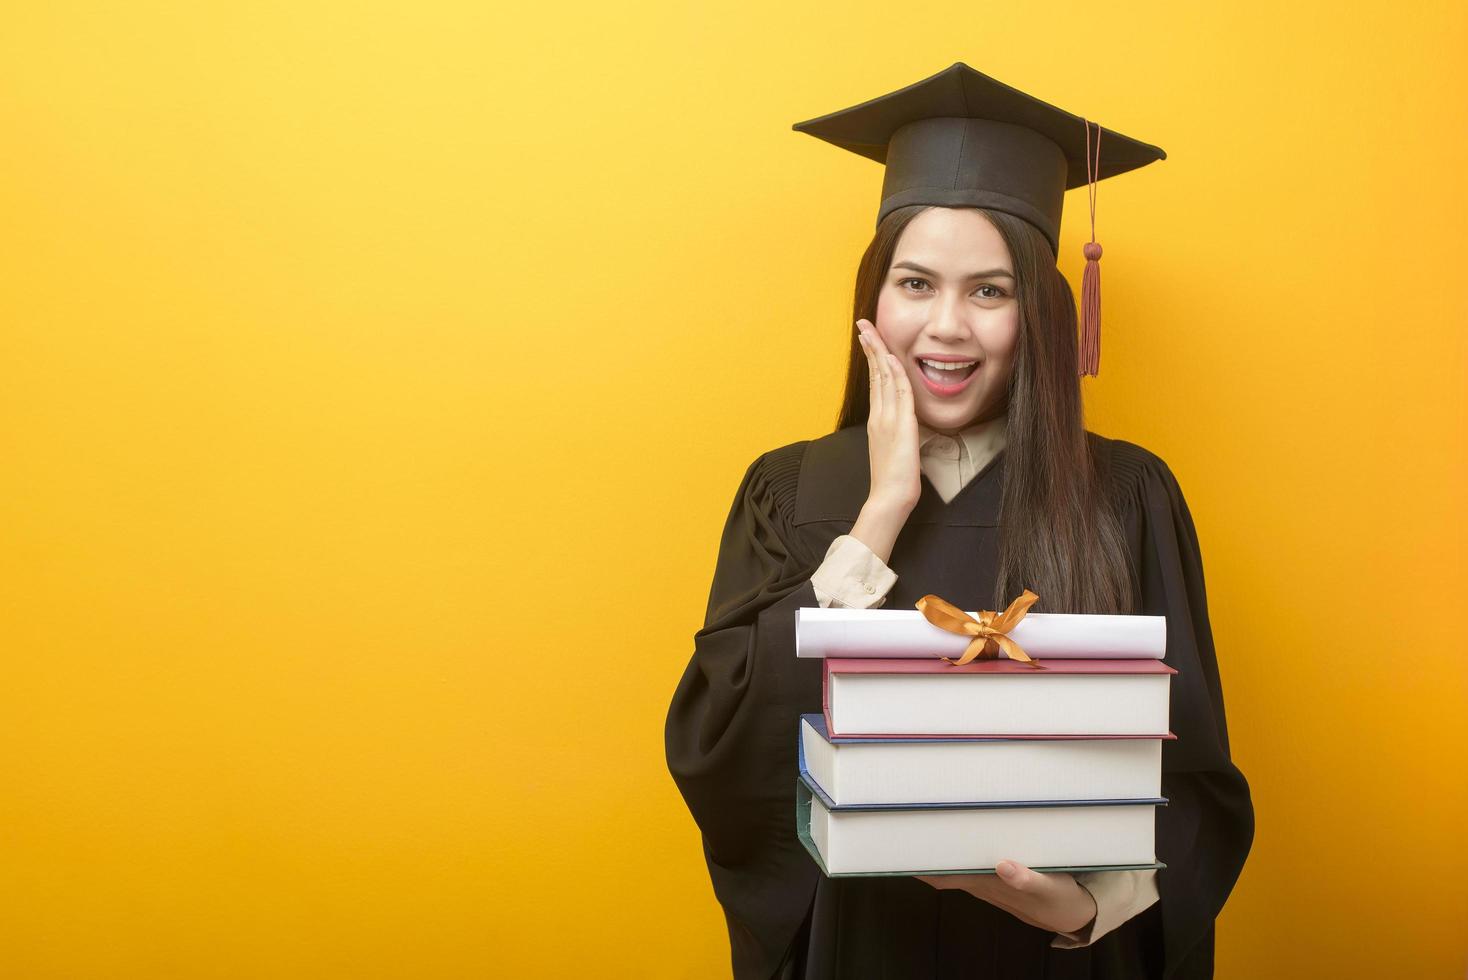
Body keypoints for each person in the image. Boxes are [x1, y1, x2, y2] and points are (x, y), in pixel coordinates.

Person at [664, 63, 1254, 980]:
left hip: (1056, 960)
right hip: (852, 949)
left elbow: (1193, 773)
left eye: (989, 291)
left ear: (1042, 315)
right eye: (915, 284)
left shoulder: (1125, 495)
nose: (946, 327)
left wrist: (1085, 905)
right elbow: (720, 748)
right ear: (873, 300)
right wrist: (878, 517)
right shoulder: (790, 490)